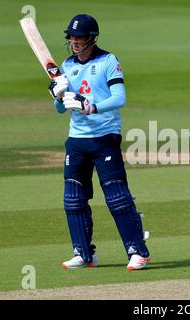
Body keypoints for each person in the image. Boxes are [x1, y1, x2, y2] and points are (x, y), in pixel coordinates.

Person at [48, 14, 150, 270]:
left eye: (79, 37)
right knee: (73, 197)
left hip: (104, 136)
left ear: (91, 38)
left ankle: (137, 251)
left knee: (116, 196)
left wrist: (91, 107)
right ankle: (83, 253)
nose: (74, 41)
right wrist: (58, 96)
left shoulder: (108, 61)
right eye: (71, 36)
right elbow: (61, 109)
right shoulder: (67, 65)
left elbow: (119, 98)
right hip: (77, 139)